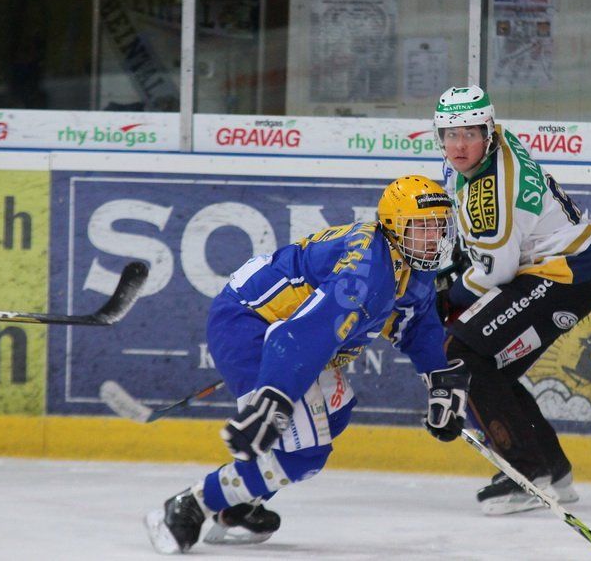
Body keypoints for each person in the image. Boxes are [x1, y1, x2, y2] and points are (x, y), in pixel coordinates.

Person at [145, 175, 468, 554]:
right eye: (423, 228)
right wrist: (274, 396)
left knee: (335, 413)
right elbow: (300, 336)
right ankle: (193, 504)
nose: (435, 239)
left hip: (284, 332)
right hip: (248, 326)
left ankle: (239, 503)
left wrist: (438, 376)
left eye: (440, 227)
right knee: (304, 456)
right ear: (395, 228)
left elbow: (415, 322)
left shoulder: (408, 261)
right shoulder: (366, 273)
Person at [431, 85, 591, 515]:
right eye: (451, 134)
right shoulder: (494, 146)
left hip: (565, 275)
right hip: (569, 264)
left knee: (463, 355)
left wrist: (448, 298)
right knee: (492, 366)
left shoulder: (492, 193)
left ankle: (526, 473)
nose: (459, 146)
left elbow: (496, 271)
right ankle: (551, 469)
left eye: (469, 134)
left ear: (488, 132)